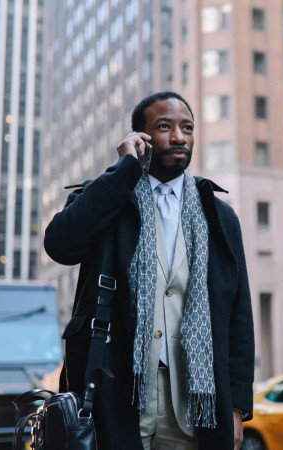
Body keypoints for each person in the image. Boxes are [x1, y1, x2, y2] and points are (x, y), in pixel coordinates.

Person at [44, 91, 255, 450]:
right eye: (164, 126)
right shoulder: (109, 198)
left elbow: (238, 316)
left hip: (196, 397)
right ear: (140, 138)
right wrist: (124, 170)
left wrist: (236, 407)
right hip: (118, 389)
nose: (179, 137)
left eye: (187, 127)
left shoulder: (220, 216)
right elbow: (61, 245)